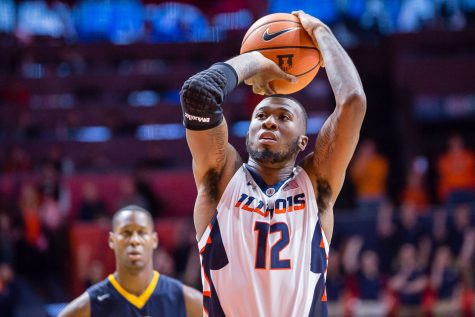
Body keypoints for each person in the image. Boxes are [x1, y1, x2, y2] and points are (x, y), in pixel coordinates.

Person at [180, 10, 366, 316]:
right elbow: (198, 94)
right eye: (261, 116)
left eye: (283, 117)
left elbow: (353, 102)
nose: (269, 122)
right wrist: (257, 61)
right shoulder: (222, 180)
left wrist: (321, 33)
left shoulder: (316, 185)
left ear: (303, 141)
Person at [59, 205, 202, 317]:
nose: (134, 240)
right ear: (112, 240)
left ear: (154, 240)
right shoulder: (88, 305)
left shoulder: (184, 299)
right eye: (126, 233)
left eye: (141, 233)